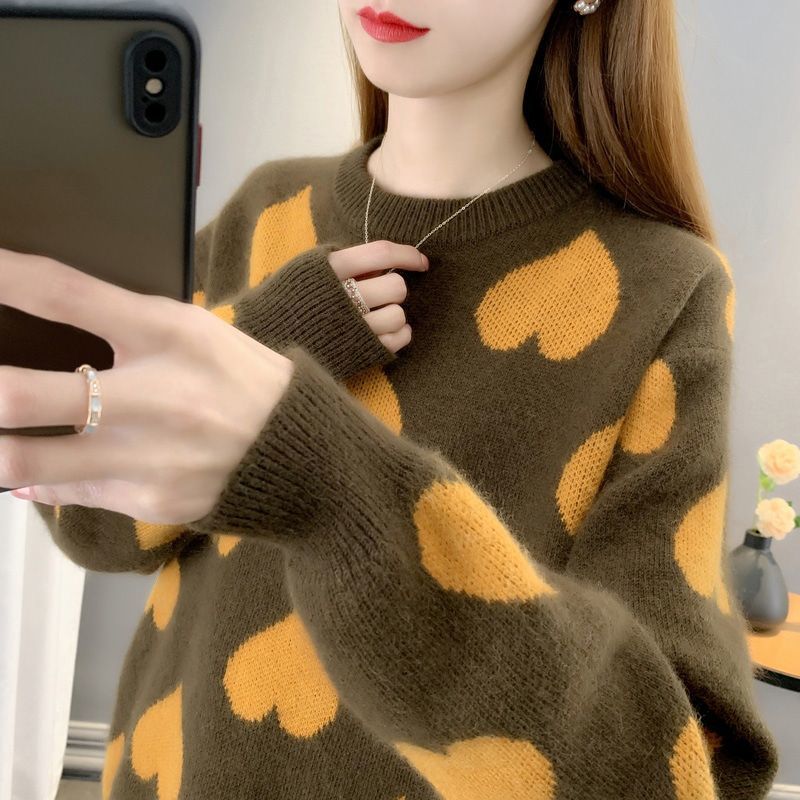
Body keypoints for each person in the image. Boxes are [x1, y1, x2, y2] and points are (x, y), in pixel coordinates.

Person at [7, 0, 779, 797]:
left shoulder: (664, 289)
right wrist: (264, 340)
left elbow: (668, 772)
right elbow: (94, 527)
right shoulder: (266, 210)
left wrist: (326, 479)